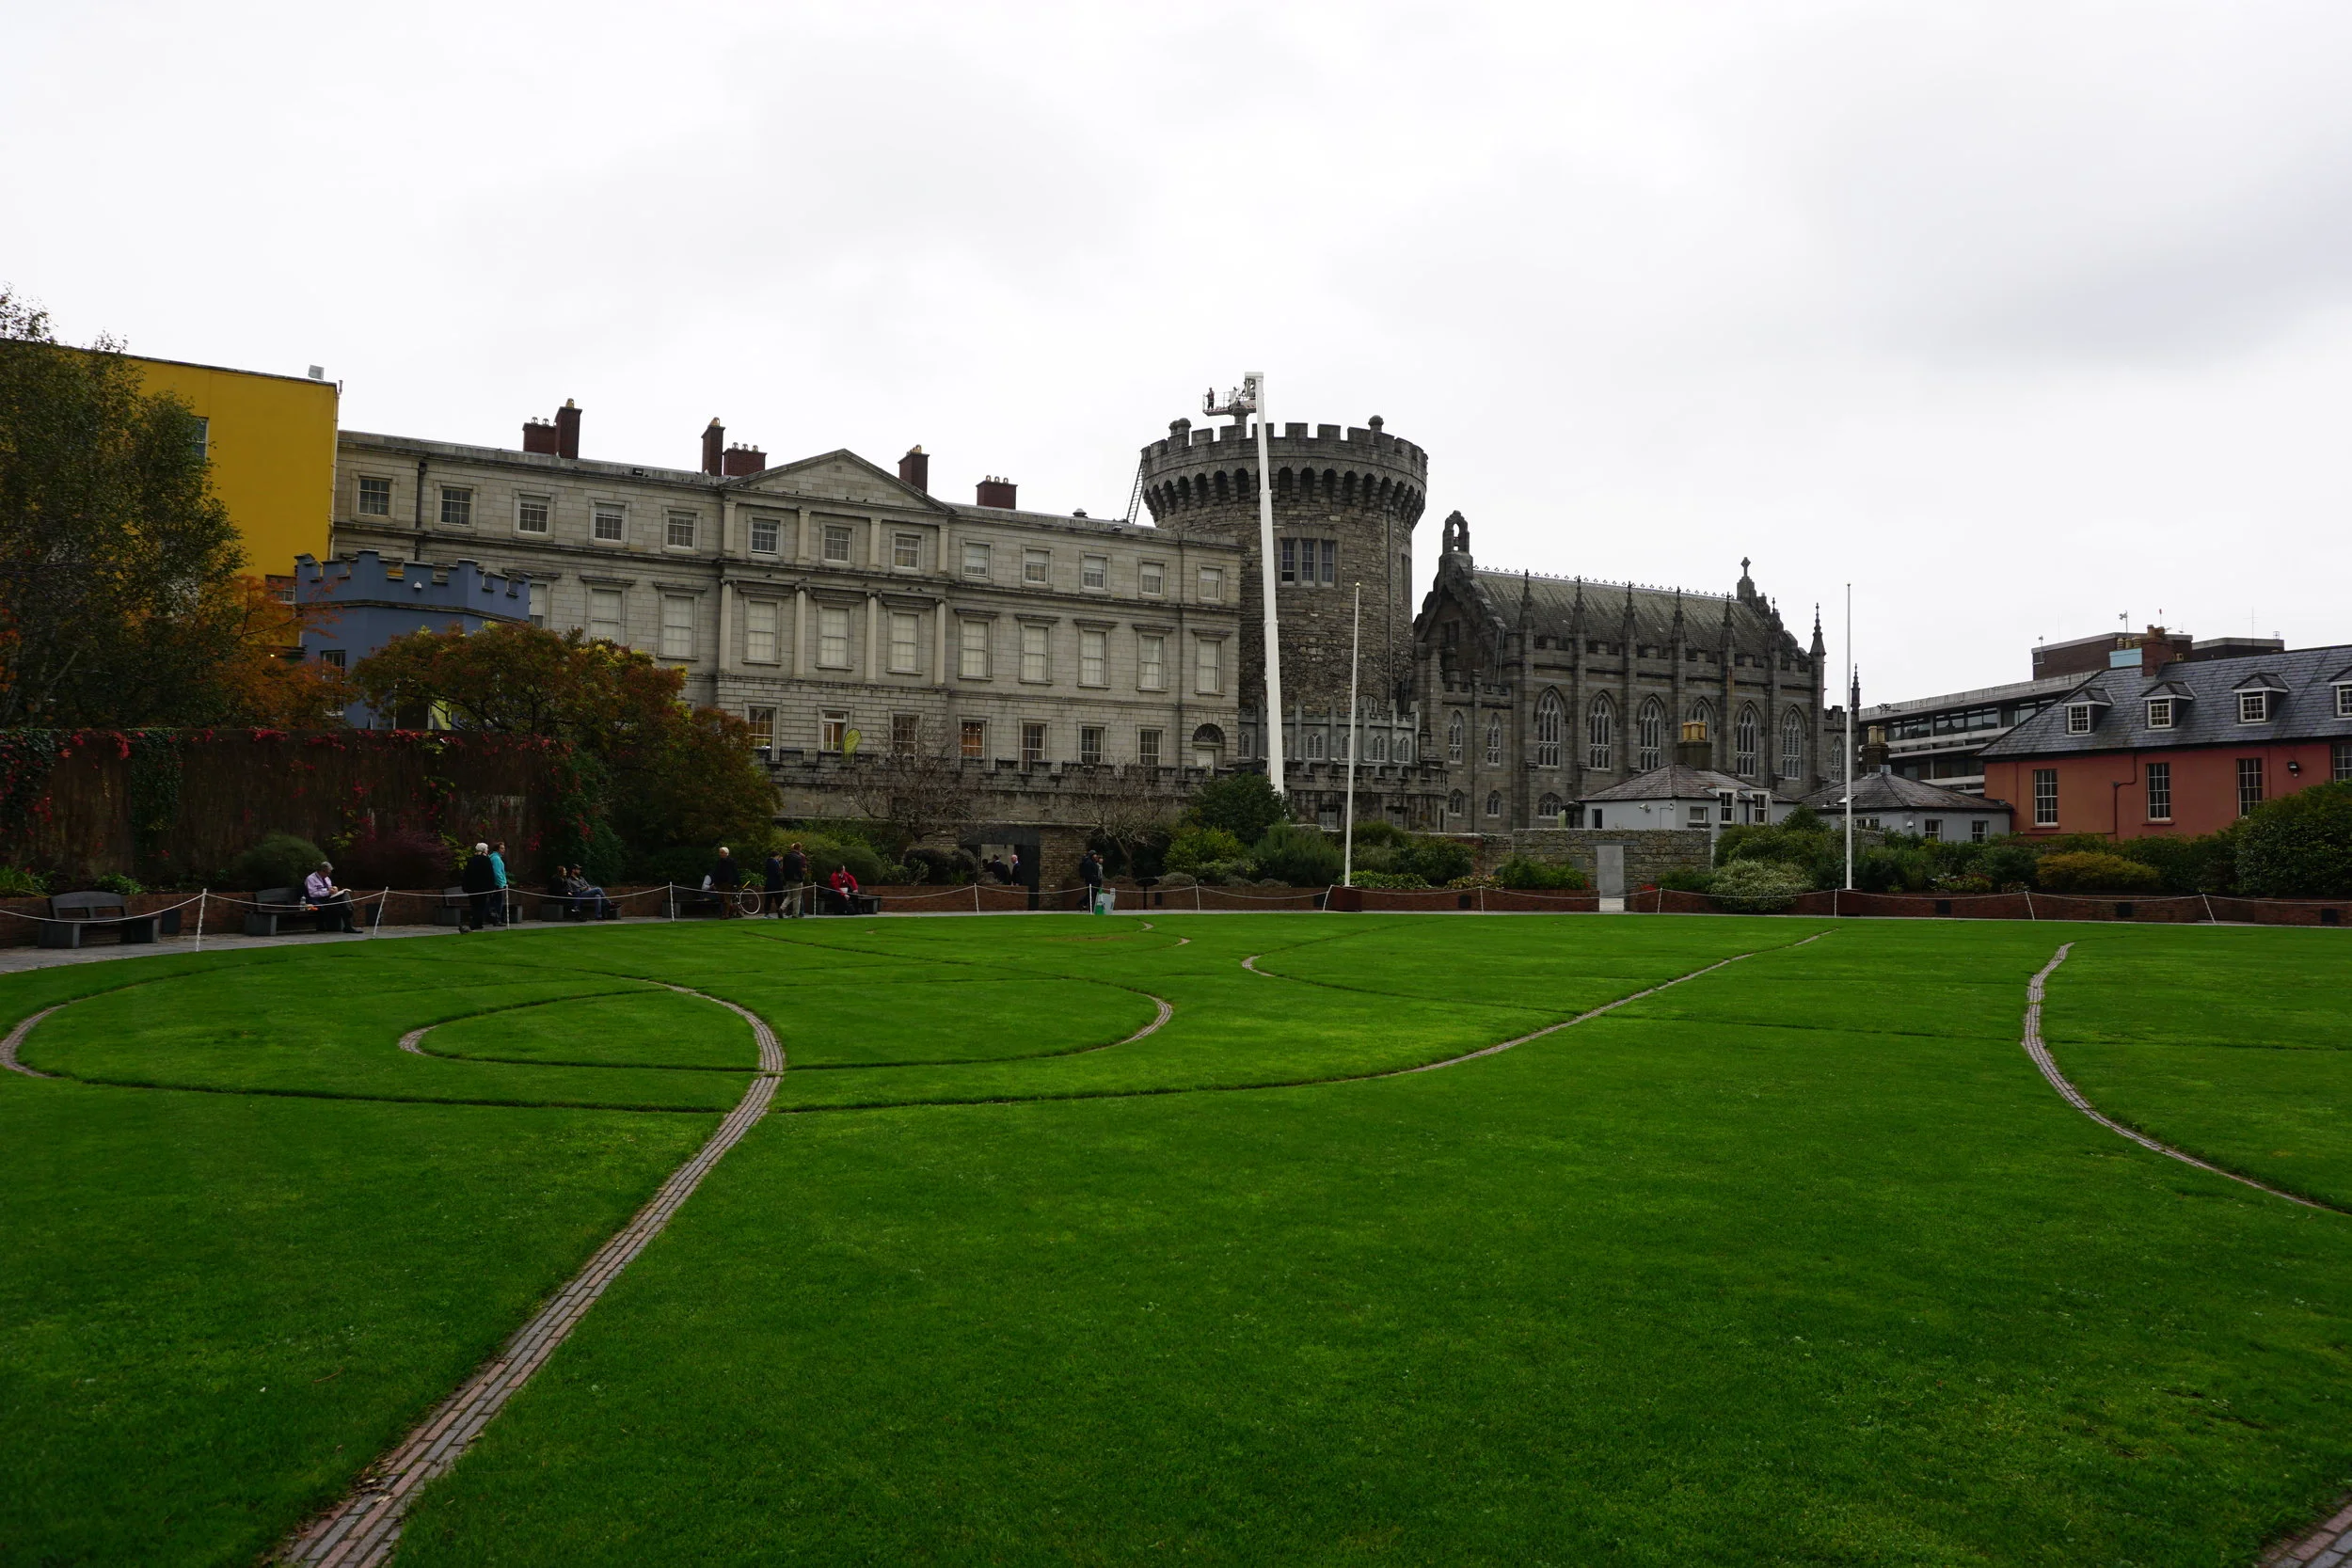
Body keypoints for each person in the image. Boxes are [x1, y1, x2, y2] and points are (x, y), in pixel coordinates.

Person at [304, 860, 358, 932]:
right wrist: (328, 892)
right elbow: (312, 894)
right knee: (344, 906)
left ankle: (349, 916)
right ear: (321, 871)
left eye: (329, 873)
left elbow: (329, 888)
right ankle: (349, 918)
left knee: (345, 894)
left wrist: (334, 889)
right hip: (317, 900)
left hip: (328, 898)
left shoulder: (327, 878)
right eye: (327, 873)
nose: (328, 875)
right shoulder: (311, 878)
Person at [460, 842, 498, 931]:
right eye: (486, 849)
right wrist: (491, 887)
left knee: (474, 905)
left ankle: (477, 922)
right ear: (484, 850)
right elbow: (489, 874)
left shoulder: (471, 860)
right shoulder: (486, 860)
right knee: (480, 905)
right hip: (482, 888)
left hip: (472, 888)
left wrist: (465, 886)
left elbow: (466, 874)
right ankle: (476, 923)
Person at [711, 845, 742, 916]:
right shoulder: (719, 862)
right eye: (720, 852)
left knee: (726, 899)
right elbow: (716, 872)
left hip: (728, 883)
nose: (720, 854)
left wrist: (737, 883)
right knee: (722, 899)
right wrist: (715, 882)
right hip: (720, 883)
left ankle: (725, 914)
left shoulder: (731, 861)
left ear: (726, 853)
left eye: (722, 852)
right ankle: (735, 910)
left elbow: (735, 872)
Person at [782, 841, 809, 917]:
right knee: (797, 898)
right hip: (797, 880)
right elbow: (800, 870)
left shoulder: (786, 856)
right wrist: (801, 878)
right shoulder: (799, 857)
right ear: (799, 848)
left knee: (789, 896)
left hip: (788, 879)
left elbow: (784, 868)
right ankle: (796, 914)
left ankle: (781, 908)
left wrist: (785, 877)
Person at [487, 840, 510, 926]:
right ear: (497, 849)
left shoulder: (494, 857)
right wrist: (501, 884)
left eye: (504, 848)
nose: (504, 850)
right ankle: (497, 920)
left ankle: (495, 919)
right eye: (502, 848)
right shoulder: (496, 858)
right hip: (498, 885)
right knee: (498, 903)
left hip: (496, 884)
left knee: (494, 902)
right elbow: (497, 873)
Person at [1079, 850, 1105, 915]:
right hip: (1091, 882)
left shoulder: (1093, 862)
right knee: (1091, 895)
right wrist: (1094, 878)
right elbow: (1088, 873)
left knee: (1092, 894)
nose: (1096, 856)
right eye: (1094, 855)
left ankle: (1085, 904)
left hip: (1095, 881)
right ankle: (1090, 907)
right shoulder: (1089, 863)